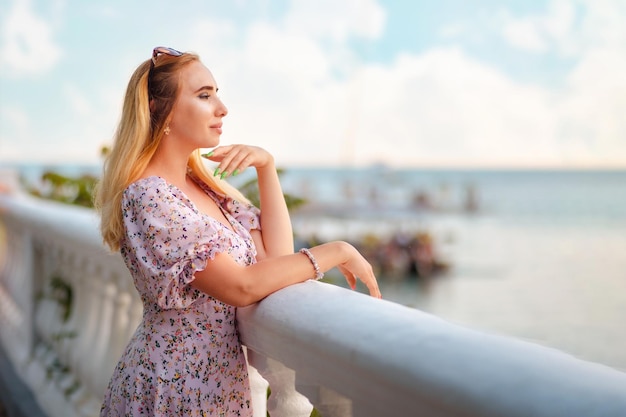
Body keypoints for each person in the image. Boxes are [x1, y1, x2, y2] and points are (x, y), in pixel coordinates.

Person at [94, 46, 381, 416]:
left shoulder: (204, 187)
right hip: (174, 387)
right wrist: (336, 251)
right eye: (204, 95)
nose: (222, 108)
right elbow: (241, 286)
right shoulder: (150, 195)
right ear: (156, 108)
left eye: (216, 93)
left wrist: (266, 167)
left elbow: (276, 260)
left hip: (216, 385)